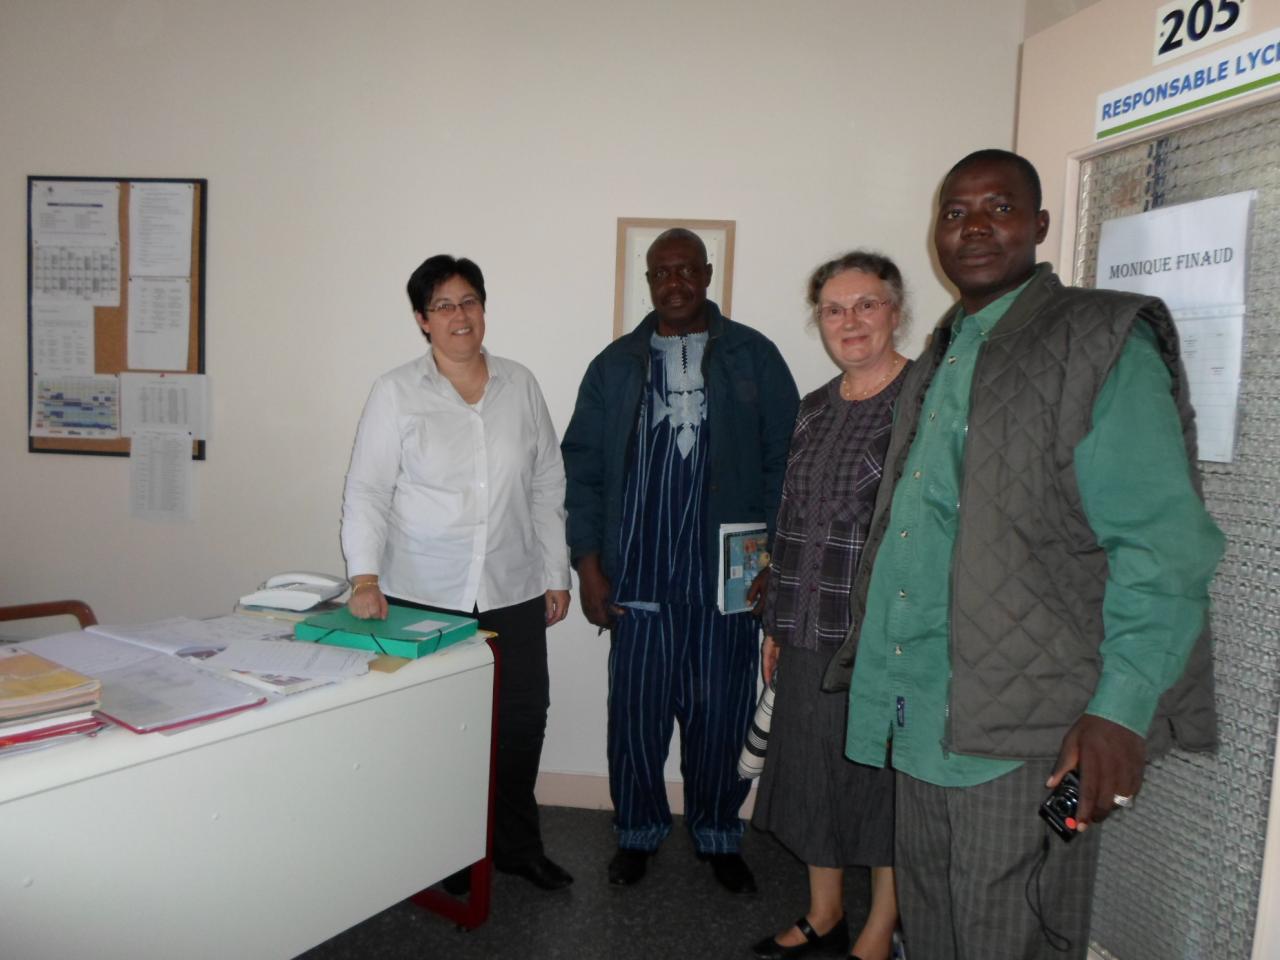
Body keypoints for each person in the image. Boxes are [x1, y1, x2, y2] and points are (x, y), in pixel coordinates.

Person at [824, 150, 1224, 959]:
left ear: (1040, 226)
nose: (973, 226)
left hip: (1022, 733)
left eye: (998, 208)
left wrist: (1121, 708)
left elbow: (1162, 545)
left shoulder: (1095, 339)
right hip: (922, 705)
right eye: (955, 211)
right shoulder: (946, 347)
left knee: (1008, 935)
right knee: (932, 926)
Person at [561, 228, 799, 893]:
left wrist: (774, 558)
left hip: (729, 578)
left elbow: (787, 461)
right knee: (634, 716)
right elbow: (583, 473)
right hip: (637, 574)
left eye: (685, 269)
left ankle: (719, 834)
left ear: (706, 272)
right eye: (661, 271)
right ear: (649, 280)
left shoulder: (754, 356)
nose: (674, 281)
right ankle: (637, 832)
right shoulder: (614, 366)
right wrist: (588, 565)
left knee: (720, 711)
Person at [341, 254, 574, 892]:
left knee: (524, 719)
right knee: (443, 729)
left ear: (483, 308)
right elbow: (367, 490)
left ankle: (515, 847)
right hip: (425, 592)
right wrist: (365, 578)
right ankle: (445, 855)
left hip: (513, 586)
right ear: (422, 321)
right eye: (442, 306)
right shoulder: (396, 391)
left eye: (468, 301)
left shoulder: (520, 384)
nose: (459, 316)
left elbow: (547, 480)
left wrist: (557, 571)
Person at [751, 252, 906, 960]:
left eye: (865, 305)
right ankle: (825, 910)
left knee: (882, 784)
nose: (851, 321)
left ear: (895, 310)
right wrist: (778, 620)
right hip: (808, 628)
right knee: (813, 771)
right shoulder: (813, 408)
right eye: (835, 309)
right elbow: (789, 519)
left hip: (887, 637)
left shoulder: (924, 402)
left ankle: (881, 925)